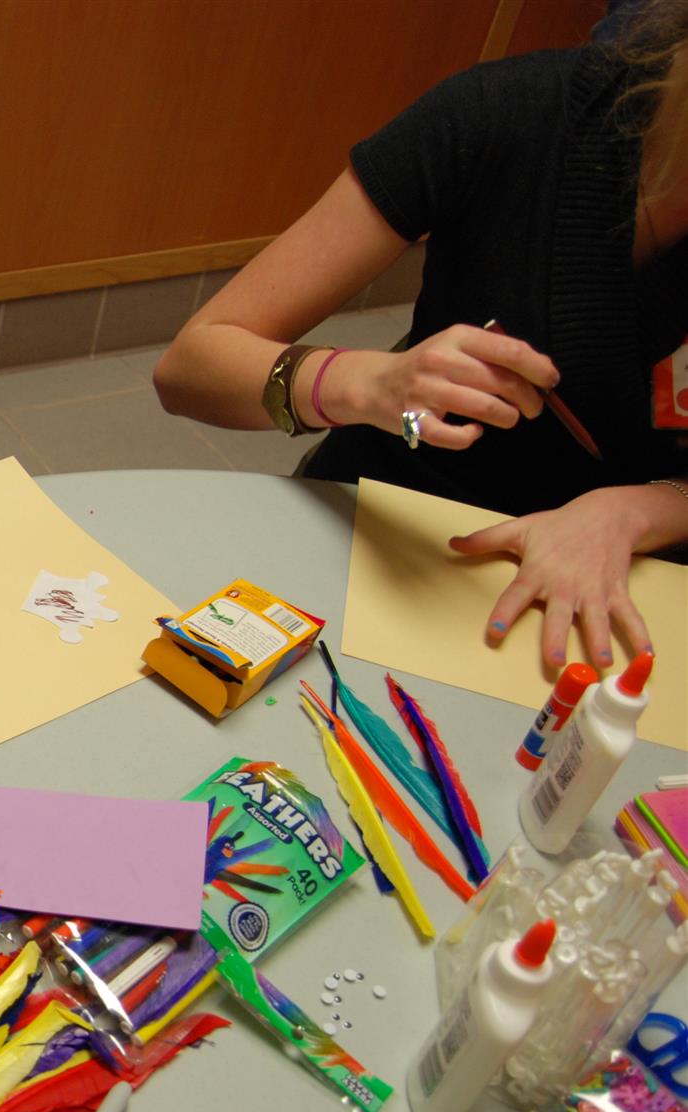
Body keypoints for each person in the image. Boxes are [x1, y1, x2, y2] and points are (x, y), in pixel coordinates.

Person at [154, 4, 688, 673]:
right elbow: (192, 365)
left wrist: (643, 509)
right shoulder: (511, 114)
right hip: (393, 541)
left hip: (624, 597)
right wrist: (358, 384)